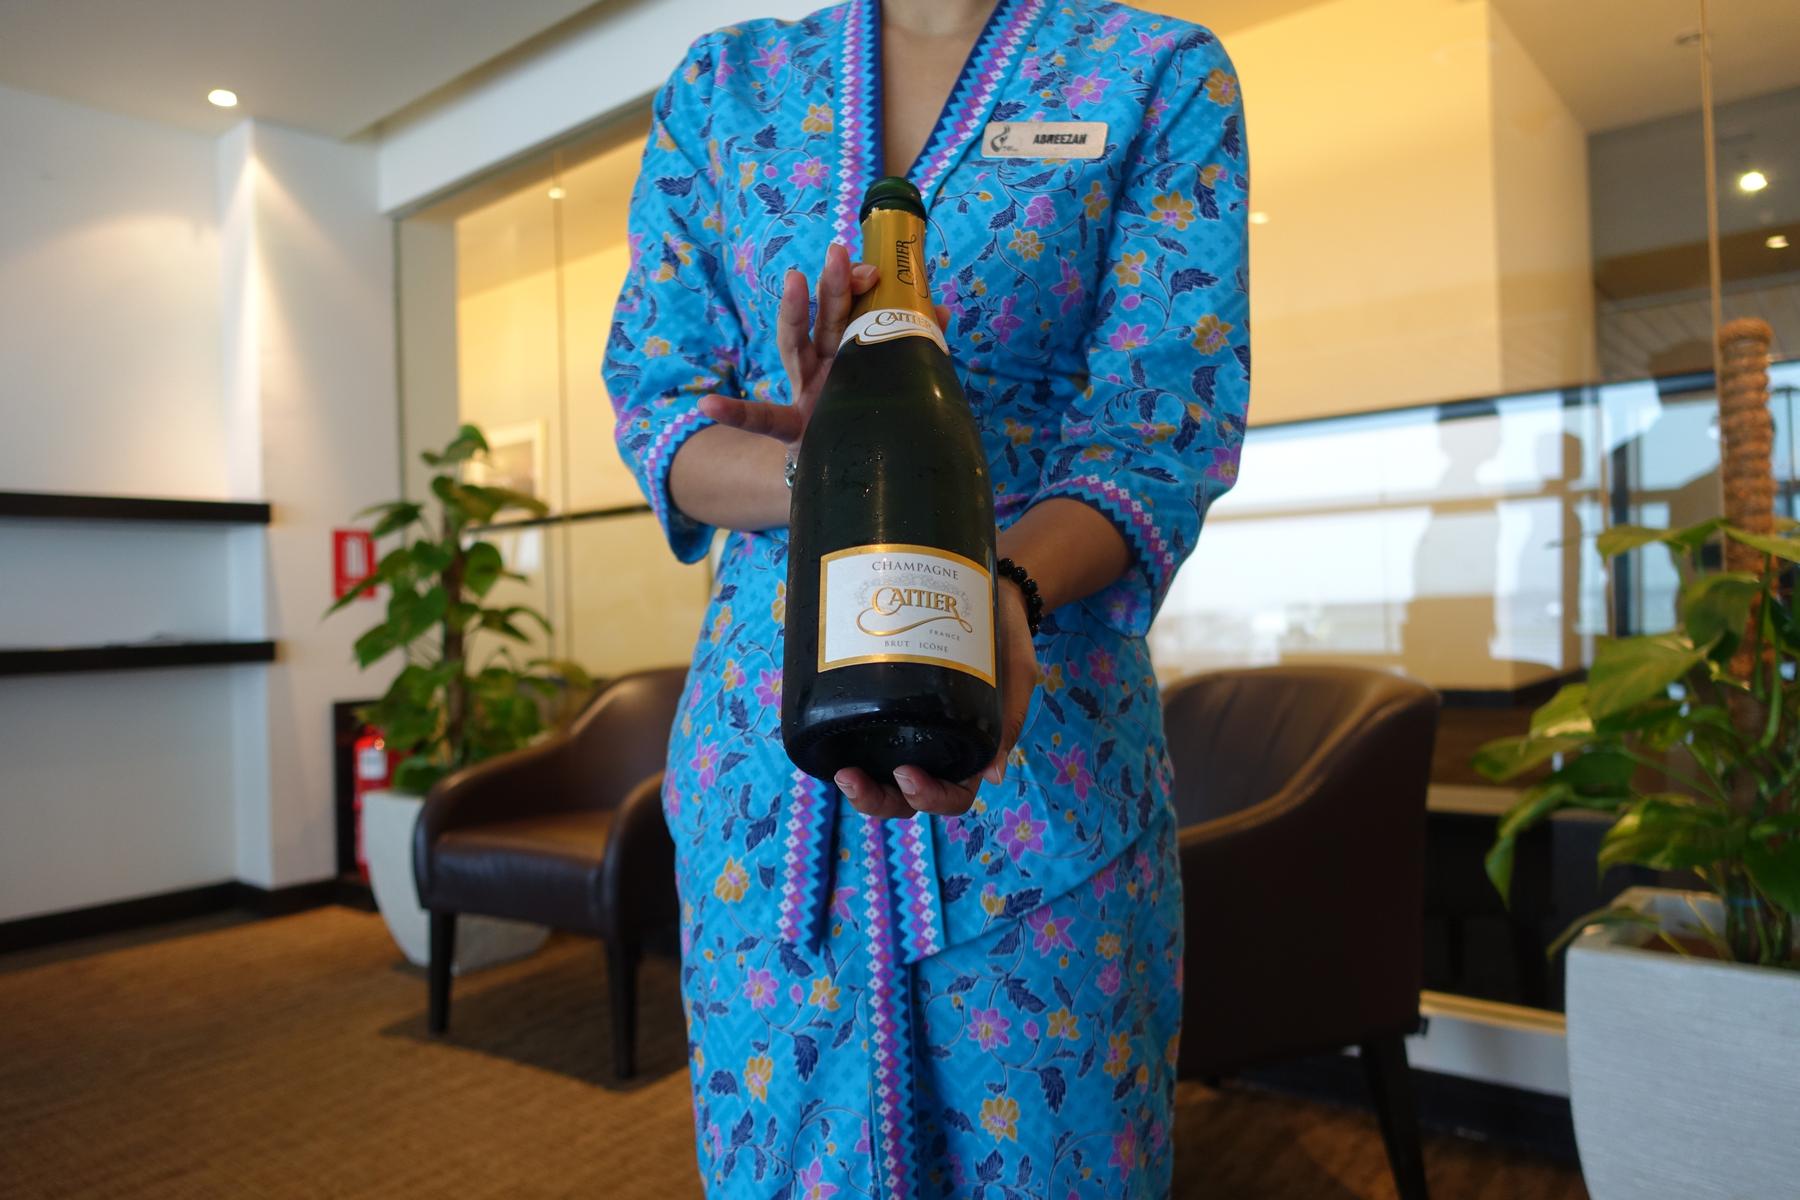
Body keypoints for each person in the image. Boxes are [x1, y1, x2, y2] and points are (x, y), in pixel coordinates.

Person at [603, 1, 1248, 1195]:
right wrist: (834, 468)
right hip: (764, 787)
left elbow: (1160, 426)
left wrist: (1006, 580)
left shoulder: (1151, 72)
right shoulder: (727, 87)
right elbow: (660, 404)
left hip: (1039, 744)